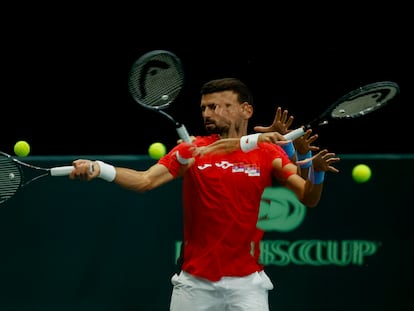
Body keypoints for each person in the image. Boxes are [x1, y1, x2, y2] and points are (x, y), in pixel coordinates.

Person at [69, 77, 340, 311]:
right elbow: (145, 181)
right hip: (194, 285)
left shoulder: (269, 153)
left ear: (246, 110)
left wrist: (312, 167)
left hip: (248, 285)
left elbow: (308, 197)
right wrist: (100, 168)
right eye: (204, 108)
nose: (208, 113)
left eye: (217, 106)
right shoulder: (192, 150)